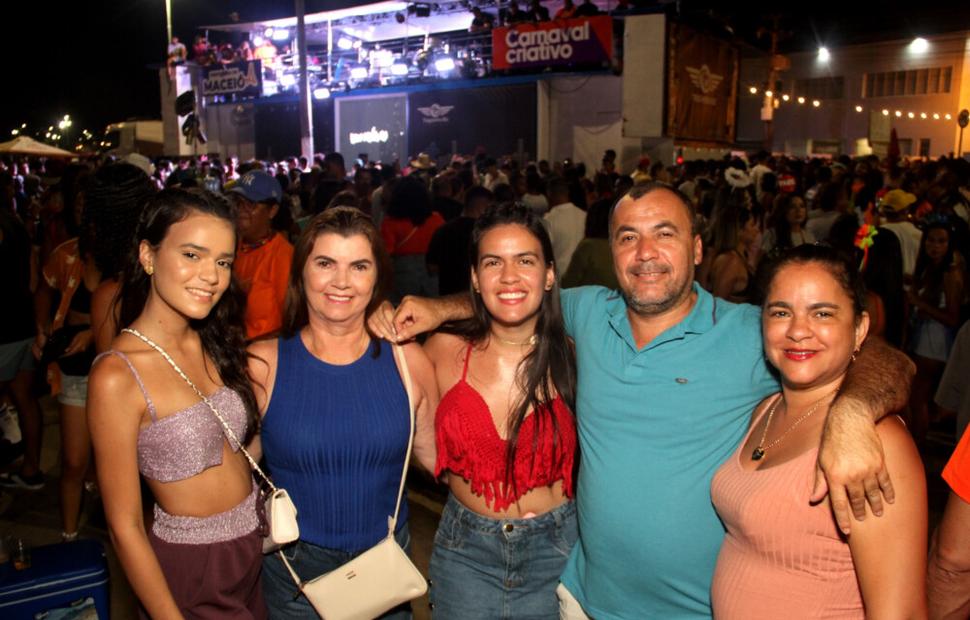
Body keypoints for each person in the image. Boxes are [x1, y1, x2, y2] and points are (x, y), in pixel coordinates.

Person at [371, 183, 913, 618]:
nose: (645, 252)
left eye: (664, 234)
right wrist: (439, 309)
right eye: (628, 237)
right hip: (580, 596)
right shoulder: (586, 311)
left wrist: (851, 411)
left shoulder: (754, 331)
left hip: (696, 608)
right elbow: (512, 291)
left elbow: (883, 358)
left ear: (697, 249)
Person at [711, 244, 927, 618]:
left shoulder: (878, 442)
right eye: (781, 312)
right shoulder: (766, 410)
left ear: (860, 328)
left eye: (822, 313)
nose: (797, 331)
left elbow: (901, 613)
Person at [251, 207, 438, 618]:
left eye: (358, 266)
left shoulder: (408, 360)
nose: (341, 281)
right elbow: (229, 486)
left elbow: (444, 461)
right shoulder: (262, 365)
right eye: (325, 263)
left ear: (377, 279)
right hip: (295, 574)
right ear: (301, 272)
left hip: (384, 571)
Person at [87, 188, 266, 618]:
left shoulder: (212, 340)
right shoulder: (117, 374)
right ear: (148, 256)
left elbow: (235, 449)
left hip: (253, 550)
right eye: (192, 254)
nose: (212, 276)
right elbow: (125, 525)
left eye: (223, 261)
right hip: (193, 570)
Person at [425, 203, 578, 618]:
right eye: (493, 262)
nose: (509, 276)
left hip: (560, 551)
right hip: (466, 556)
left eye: (525, 261)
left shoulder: (576, 353)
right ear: (475, 278)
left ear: (549, 274)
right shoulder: (440, 351)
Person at [907, 221, 964, 446]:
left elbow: (952, 316)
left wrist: (920, 304)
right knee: (918, 398)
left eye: (941, 241)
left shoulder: (951, 273)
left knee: (918, 398)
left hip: (935, 343)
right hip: (924, 339)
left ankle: (917, 449)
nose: (935, 246)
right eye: (931, 240)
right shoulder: (930, 268)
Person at [229, 169, 294, 340]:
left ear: (272, 211)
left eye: (250, 204)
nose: (241, 210)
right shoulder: (231, 247)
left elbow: (292, 325)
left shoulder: (283, 257)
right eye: (238, 202)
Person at [381, 175, 444, 302]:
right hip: (431, 274)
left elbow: (384, 254)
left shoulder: (390, 223)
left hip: (402, 274)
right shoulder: (437, 219)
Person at [427, 186, 493, 296]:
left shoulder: (443, 230)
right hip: (478, 297)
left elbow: (431, 267)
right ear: (483, 206)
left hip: (447, 296)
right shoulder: (486, 234)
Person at [706, 206, 760, 304]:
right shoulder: (731, 261)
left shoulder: (741, 256)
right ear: (739, 230)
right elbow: (718, 303)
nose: (756, 230)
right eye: (752, 225)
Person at [760, 193, 815, 257]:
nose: (798, 210)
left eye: (802, 206)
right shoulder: (772, 234)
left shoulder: (809, 236)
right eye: (792, 207)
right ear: (784, 210)